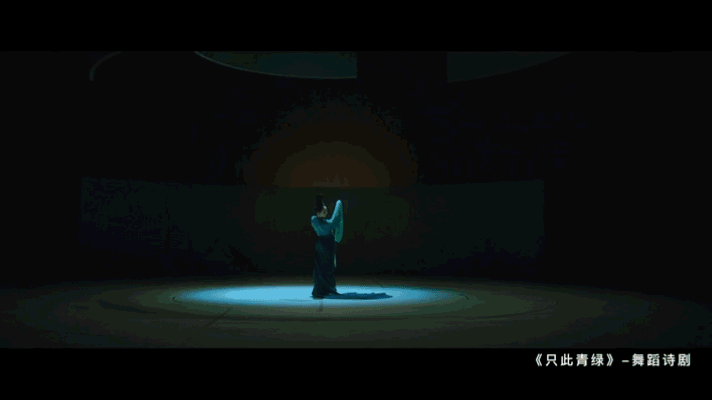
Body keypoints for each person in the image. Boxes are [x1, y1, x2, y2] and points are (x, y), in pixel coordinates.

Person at [310, 193, 343, 298]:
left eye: (326, 210)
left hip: (328, 247)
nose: (326, 210)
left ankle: (328, 288)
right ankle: (322, 289)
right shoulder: (315, 220)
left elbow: (332, 222)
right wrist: (339, 204)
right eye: (323, 210)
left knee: (328, 268)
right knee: (322, 269)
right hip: (322, 247)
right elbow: (333, 222)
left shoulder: (324, 222)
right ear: (318, 211)